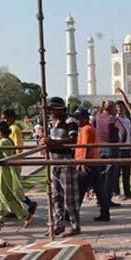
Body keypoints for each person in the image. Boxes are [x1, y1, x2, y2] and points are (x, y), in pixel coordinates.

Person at [41, 97, 81, 236]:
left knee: (69, 197)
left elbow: (73, 139)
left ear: (59, 110)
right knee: (56, 196)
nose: (51, 113)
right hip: (54, 161)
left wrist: (53, 143)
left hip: (66, 161)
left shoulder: (70, 122)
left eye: (52, 110)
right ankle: (59, 224)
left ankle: (75, 225)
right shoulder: (53, 123)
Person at [0, 122, 34, 227]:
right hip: (5, 171)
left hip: (4, 173)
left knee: (6, 197)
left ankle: (25, 215)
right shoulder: (9, 141)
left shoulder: (2, 142)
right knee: (1, 197)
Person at [0, 109, 38, 216]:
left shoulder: (14, 129)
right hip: (10, 161)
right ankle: (16, 208)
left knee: (14, 187)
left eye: (5, 118)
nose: (4, 120)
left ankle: (28, 204)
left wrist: (15, 159)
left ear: (11, 118)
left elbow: (17, 146)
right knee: (10, 186)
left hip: (13, 161)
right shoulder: (8, 129)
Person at [94, 100, 127, 220]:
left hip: (99, 149)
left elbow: (92, 125)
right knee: (109, 181)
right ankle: (105, 210)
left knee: (101, 179)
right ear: (112, 108)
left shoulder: (98, 117)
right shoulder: (113, 119)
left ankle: (102, 203)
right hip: (111, 149)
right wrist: (120, 143)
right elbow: (123, 132)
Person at [74, 107, 109, 215]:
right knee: (99, 190)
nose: (77, 121)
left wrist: (83, 163)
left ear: (85, 118)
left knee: (79, 190)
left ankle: (72, 212)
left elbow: (86, 147)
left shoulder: (86, 129)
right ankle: (105, 212)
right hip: (94, 162)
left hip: (87, 163)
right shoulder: (89, 128)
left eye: (79, 119)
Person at [115, 91, 131, 200]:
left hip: (127, 148)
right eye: (118, 107)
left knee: (127, 171)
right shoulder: (114, 119)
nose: (120, 109)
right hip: (118, 148)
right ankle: (117, 192)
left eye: (121, 107)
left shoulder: (127, 119)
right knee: (117, 172)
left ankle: (127, 191)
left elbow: (129, 132)